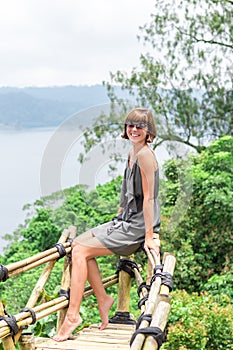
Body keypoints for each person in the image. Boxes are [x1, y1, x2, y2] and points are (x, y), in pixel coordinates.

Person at [52, 107, 160, 342]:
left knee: (80, 252)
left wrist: (149, 235)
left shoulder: (145, 156)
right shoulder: (134, 152)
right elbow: (128, 191)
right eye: (130, 125)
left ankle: (72, 315)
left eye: (140, 126)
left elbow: (150, 198)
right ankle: (103, 298)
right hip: (125, 220)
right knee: (78, 244)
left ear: (148, 130)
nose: (134, 130)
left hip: (137, 227)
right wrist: (119, 215)